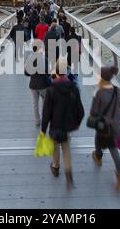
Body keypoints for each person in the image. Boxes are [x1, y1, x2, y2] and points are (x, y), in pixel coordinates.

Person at [41, 59, 84, 187]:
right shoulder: (74, 89)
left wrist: (43, 129)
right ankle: (68, 171)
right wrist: (76, 123)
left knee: (55, 147)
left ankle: (55, 167)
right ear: (67, 72)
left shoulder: (51, 89)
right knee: (66, 149)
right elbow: (80, 111)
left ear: (57, 72)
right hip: (67, 126)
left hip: (55, 125)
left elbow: (46, 112)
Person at [90, 66, 120, 190]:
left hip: (105, 125)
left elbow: (94, 112)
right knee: (112, 145)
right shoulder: (118, 90)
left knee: (107, 144)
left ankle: (99, 157)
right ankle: (99, 156)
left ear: (101, 77)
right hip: (117, 124)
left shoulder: (99, 92)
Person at [25, 46, 51, 126]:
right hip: (43, 85)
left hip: (33, 85)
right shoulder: (44, 59)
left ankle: (37, 121)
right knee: (45, 102)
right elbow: (48, 72)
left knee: (35, 103)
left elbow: (26, 73)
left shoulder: (29, 59)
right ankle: (44, 119)